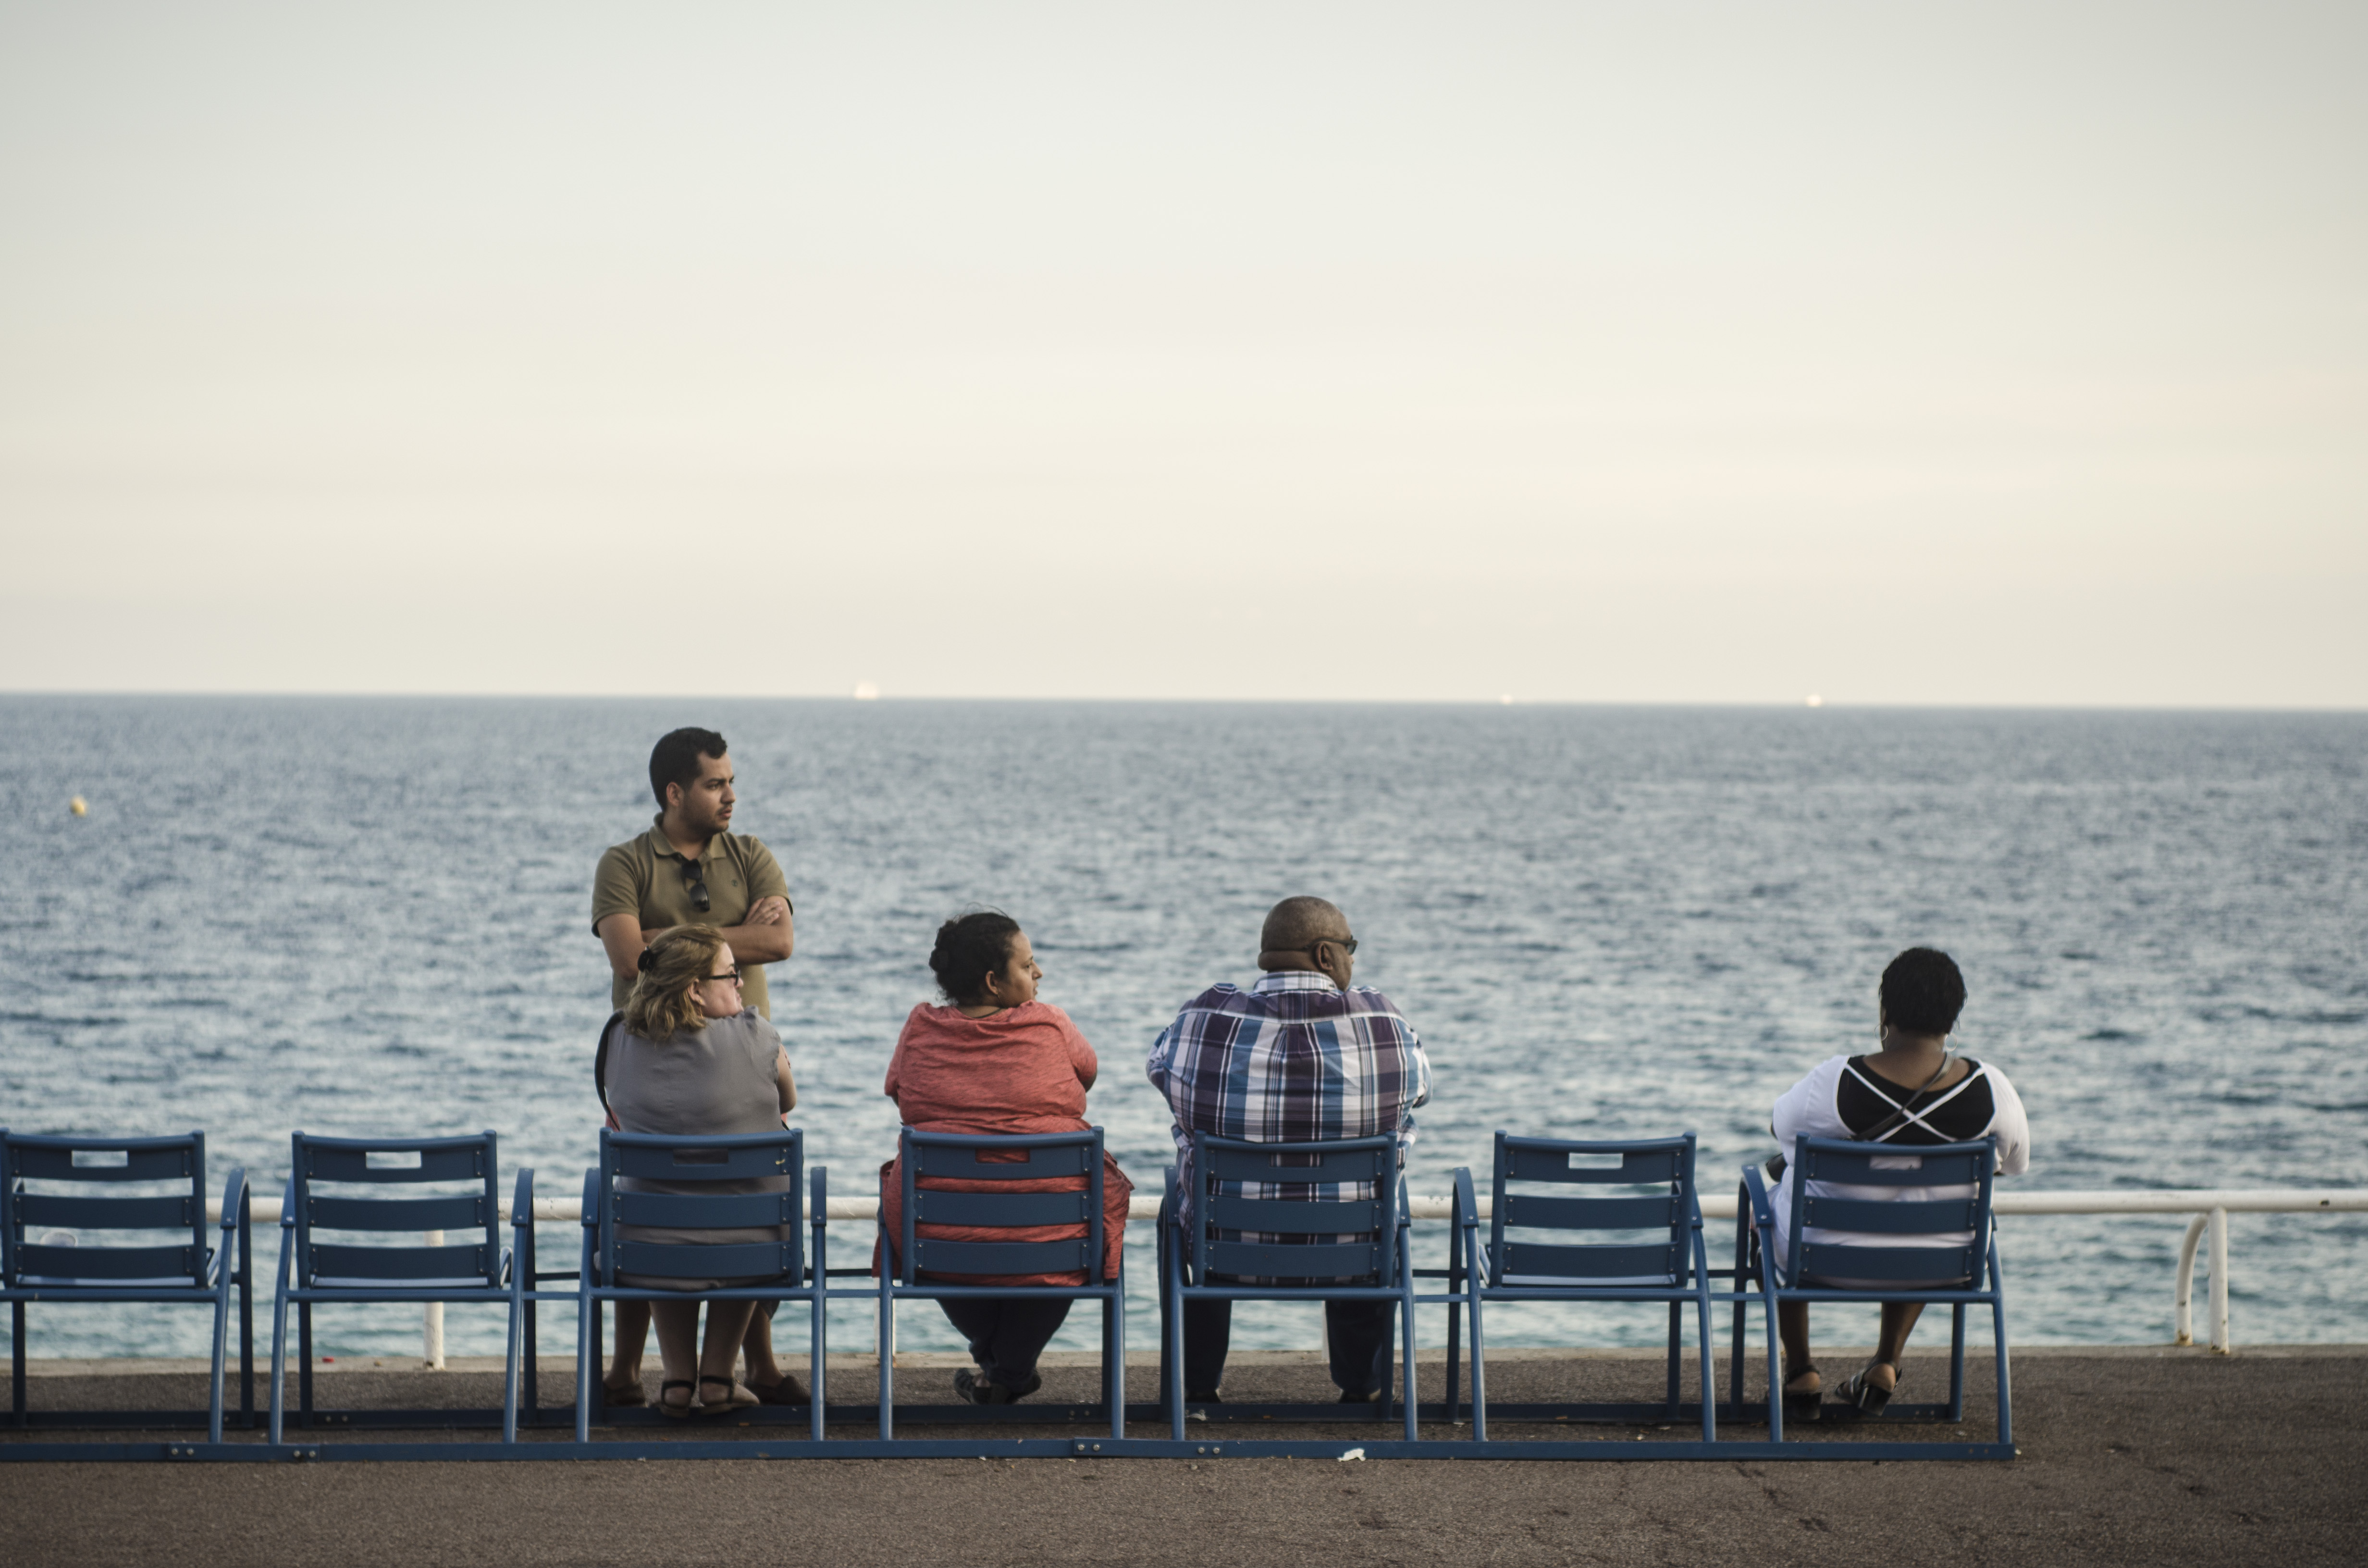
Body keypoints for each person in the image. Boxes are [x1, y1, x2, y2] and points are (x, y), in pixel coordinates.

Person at [1146, 895, 1432, 1406]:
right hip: (1351, 1252)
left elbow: (1159, 1072)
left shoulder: (1204, 1018)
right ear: (1326, 956)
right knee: (1376, 1198)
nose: (1352, 958)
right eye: (1350, 947)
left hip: (1223, 1252)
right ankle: (1360, 1385)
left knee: (1179, 1203)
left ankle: (1195, 1387)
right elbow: (1422, 1088)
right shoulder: (1382, 1023)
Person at [591, 727, 801, 1406]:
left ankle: (740, 1369)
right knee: (670, 1205)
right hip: (655, 1068)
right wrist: (728, 940)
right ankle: (634, 1370)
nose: (731, 795)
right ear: (675, 792)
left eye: (732, 780)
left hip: (743, 1071)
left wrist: (666, 942)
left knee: (707, 1202)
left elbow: (781, 941)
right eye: (716, 783)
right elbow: (628, 960)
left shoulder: (751, 855)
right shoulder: (625, 863)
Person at [876, 912, 1135, 1405]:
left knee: (937, 1232)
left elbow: (899, 1092)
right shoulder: (1050, 1022)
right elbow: (1087, 1075)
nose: (1038, 974)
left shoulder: (919, 1028)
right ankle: (1008, 1371)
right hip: (1057, 1234)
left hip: (937, 1235)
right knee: (1058, 1244)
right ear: (994, 982)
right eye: (1028, 965)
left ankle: (998, 1369)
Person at [1767, 947, 2032, 1418]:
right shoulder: (1991, 1089)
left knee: (1772, 1200)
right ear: (1952, 1021)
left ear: (1884, 1012)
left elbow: (1778, 1127)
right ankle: (1886, 1361)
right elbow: (2013, 1164)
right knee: (1920, 1206)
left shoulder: (1834, 1081)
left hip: (1823, 1260)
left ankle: (1801, 1371)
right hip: (1941, 1261)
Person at [600, 926, 800, 1418]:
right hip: (752, 1249)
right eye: (731, 976)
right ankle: (715, 1380)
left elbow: (616, 1112)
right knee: (733, 1209)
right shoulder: (757, 1035)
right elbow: (788, 1100)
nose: (740, 986)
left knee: (670, 1206)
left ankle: (676, 1382)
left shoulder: (617, 1037)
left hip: (646, 1248)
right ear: (694, 989)